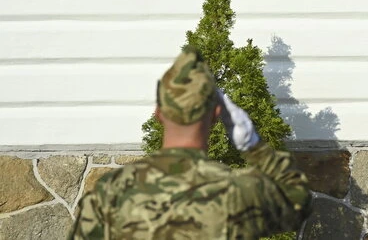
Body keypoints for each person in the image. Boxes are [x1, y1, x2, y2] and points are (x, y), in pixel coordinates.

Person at [69, 46, 311, 238]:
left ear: (158, 112)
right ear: (216, 115)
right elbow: (298, 199)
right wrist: (253, 145)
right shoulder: (239, 192)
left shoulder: (111, 192)